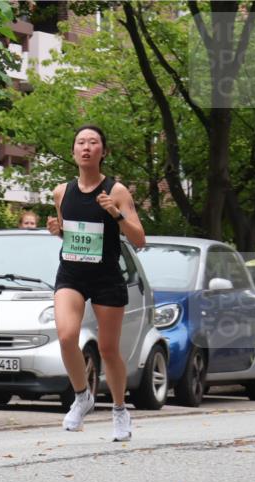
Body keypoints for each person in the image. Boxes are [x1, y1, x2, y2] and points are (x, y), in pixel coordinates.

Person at [47, 125, 145, 441]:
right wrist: (57, 231)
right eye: (80, 142)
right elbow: (72, 232)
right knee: (65, 336)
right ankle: (81, 397)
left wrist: (116, 214)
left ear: (103, 151)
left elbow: (139, 239)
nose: (86, 147)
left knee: (108, 349)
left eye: (93, 142)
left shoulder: (116, 191)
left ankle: (119, 410)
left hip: (106, 277)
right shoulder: (61, 192)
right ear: (73, 151)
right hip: (72, 274)